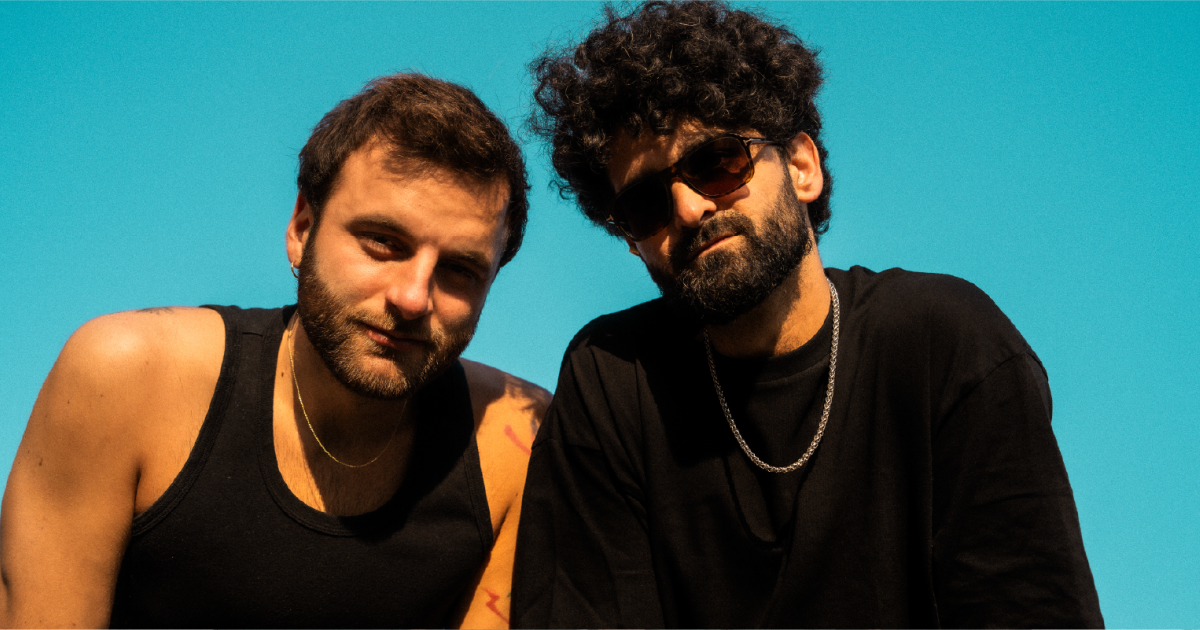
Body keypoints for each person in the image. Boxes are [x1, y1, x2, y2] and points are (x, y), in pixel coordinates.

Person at [511, 2, 1103, 627]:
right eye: (644, 205)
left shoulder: (945, 343)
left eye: (715, 163)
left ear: (801, 167)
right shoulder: (613, 379)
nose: (687, 210)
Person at [0, 73, 548, 629]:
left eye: (459, 270)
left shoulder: (516, 443)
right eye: (383, 243)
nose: (412, 298)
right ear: (303, 228)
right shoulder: (127, 380)